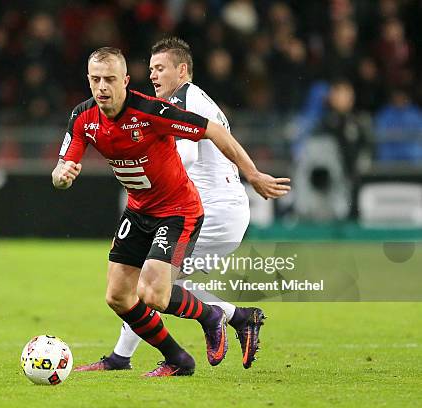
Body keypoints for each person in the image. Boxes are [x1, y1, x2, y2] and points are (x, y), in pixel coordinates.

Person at [52, 47, 289, 376]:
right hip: (141, 212)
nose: (101, 87)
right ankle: (174, 356)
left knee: (153, 288)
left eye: (109, 79)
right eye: (95, 80)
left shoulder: (161, 108)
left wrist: (254, 174)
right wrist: (62, 176)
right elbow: (65, 164)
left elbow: (210, 136)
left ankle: (221, 317)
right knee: (121, 295)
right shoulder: (84, 116)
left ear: (124, 80)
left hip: (185, 208)